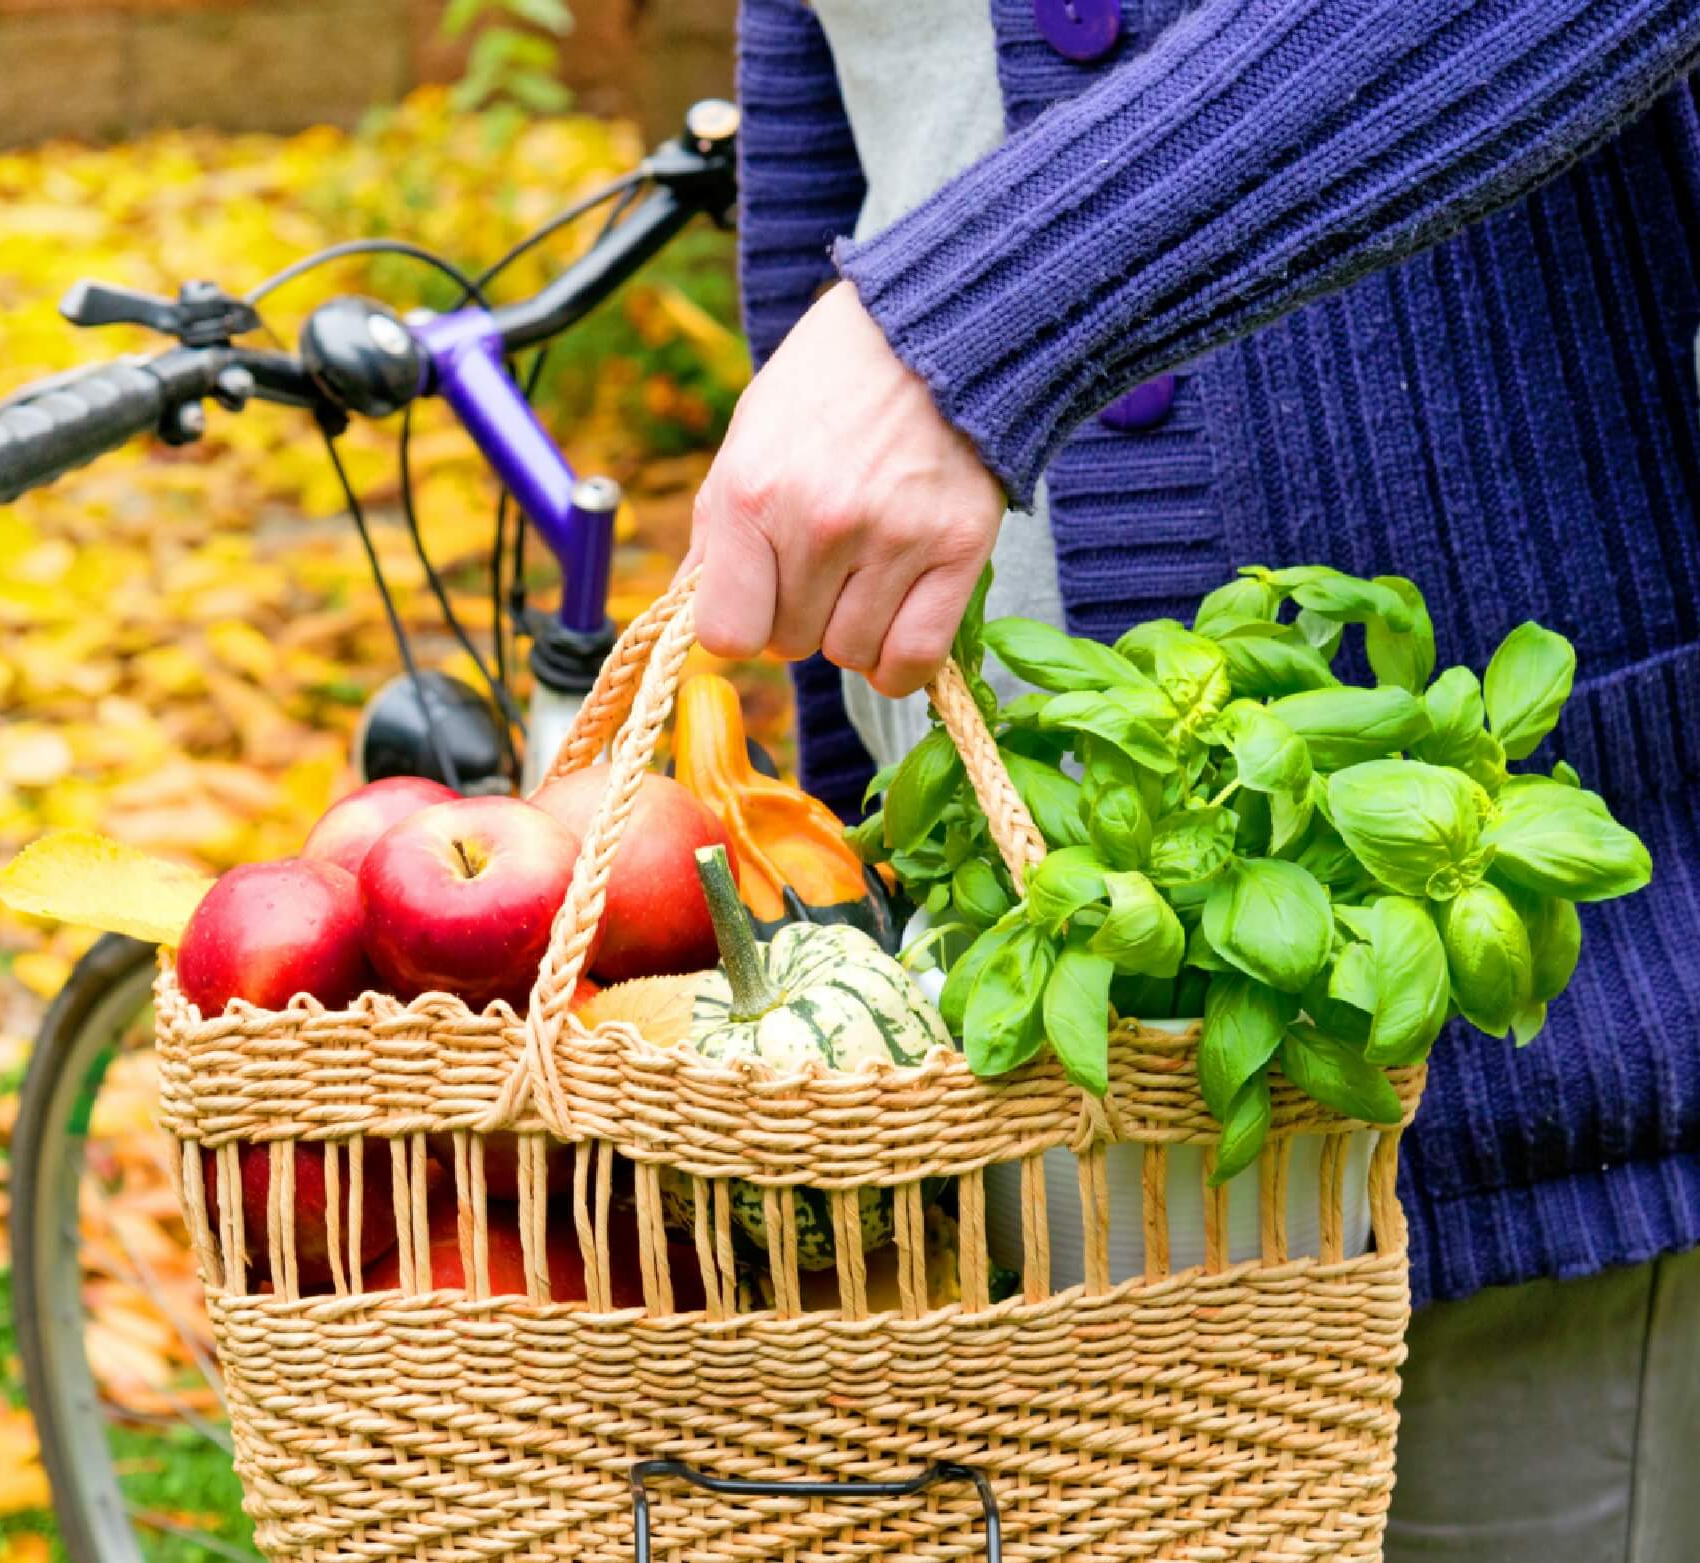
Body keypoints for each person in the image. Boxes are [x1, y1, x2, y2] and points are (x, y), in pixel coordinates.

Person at [696, 3, 1700, 1559]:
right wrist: (850, 905)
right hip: (997, 1053)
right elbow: (840, 153)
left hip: (1484, 1072)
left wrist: (979, 318)